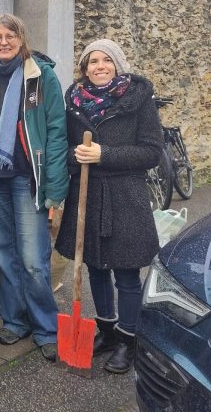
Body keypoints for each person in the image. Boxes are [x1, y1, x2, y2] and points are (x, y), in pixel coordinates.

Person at [0, 14, 69, 361]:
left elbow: (55, 132)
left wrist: (54, 185)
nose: (3, 42)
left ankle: (46, 327)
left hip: (26, 178)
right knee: (4, 252)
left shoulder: (40, 76)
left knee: (34, 259)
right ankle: (15, 320)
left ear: (22, 40)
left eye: (10, 36)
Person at [55, 38, 162, 374]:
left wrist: (104, 154)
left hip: (125, 196)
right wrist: (76, 157)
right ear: (84, 69)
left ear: (117, 65)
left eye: (106, 61)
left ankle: (128, 340)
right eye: (92, 62)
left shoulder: (139, 99)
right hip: (88, 194)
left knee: (127, 274)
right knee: (96, 269)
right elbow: (68, 148)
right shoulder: (74, 101)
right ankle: (107, 331)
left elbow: (151, 152)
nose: (99, 67)